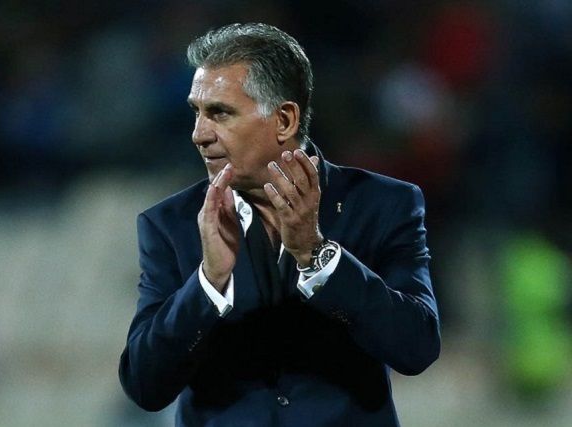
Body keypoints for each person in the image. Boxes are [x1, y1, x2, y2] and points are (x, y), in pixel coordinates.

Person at [119, 23, 440, 426]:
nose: (199, 134)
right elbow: (145, 386)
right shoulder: (171, 224)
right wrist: (208, 283)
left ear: (285, 120)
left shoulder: (381, 204)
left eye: (220, 113)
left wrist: (318, 256)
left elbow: (416, 348)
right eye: (196, 112)